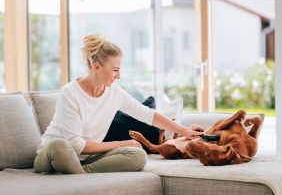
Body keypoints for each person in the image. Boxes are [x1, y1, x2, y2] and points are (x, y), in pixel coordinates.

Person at [34, 34, 203, 174]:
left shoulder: (114, 92)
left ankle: (81, 172)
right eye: (115, 70)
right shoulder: (70, 93)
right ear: (97, 67)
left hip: (86, 159)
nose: (119, 76)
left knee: (138, 155)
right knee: (59, 145)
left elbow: (146, 114)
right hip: (52, 156)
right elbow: (76, 145)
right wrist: (121, 143)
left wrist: (183, 130)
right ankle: (80, 173)